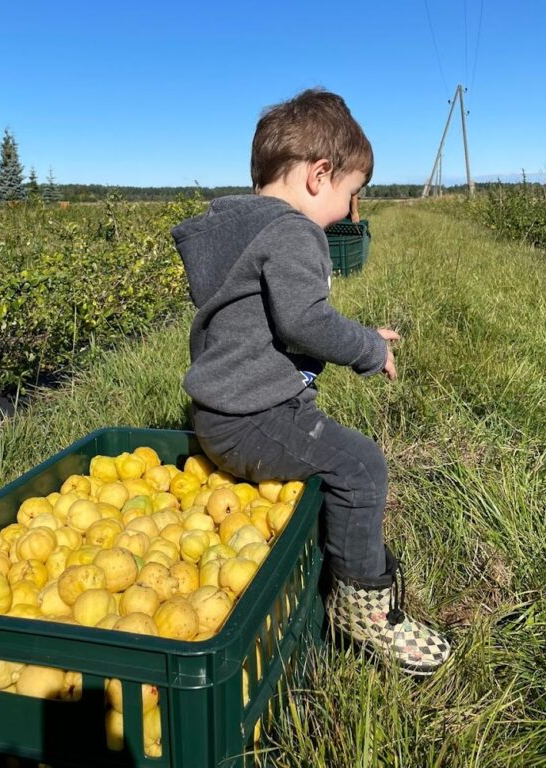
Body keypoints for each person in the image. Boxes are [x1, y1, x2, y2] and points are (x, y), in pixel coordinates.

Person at [171, 88, 450, 675]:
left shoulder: (233, 231)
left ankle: (340, 561)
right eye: (352, 194)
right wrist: (369, 348)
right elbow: (304, 321)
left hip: (216, 415)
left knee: (331, 464)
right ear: (320, 176)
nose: (352, 214)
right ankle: (363, 611)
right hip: (254, 418)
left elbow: (272, 321)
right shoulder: (293, 231)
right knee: (361, 466)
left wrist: (348, 329)